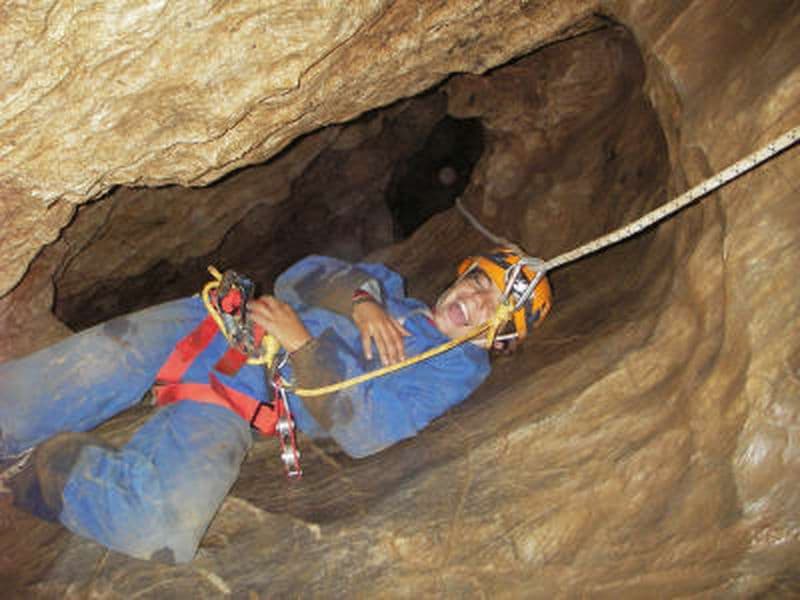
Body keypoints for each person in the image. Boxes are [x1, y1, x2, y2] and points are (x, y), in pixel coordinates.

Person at [0, 249, 551, 563]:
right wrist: (362, 303)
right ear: (462, 274)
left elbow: (367, 431)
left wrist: (304, 348)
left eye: (494, 306)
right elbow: (300, 275)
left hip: (235, 402)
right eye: (480, 282)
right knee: (14, 410)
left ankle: (37, 469)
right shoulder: (387, 286)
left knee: (158, 529)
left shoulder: (449, 372)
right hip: (209, 328)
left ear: (500, 337)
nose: (475, 299)